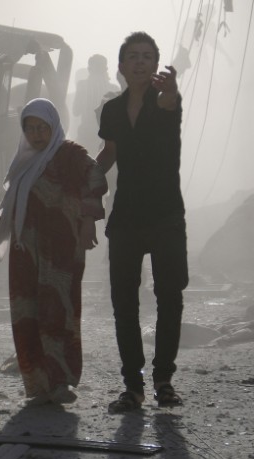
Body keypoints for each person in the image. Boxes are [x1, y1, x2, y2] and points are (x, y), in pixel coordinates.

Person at [0, 98, 107, 406]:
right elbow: (8, 208)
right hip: (25, 256)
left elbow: (96, 181)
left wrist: (89, 222)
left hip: (59, 253)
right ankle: (38, 386)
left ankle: (61, 381)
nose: (36, 134)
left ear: (54, 126)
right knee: (27, 316)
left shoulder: (70, 155)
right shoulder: (22, 165)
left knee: (57, 312)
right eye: (30, 128)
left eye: (41, 127)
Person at [96, 32, 188, 413]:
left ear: (155, 65)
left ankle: (164, 380)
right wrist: (80, 177)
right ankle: (132, 387)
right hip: (127, 217)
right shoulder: (113, 110)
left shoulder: (167, 101)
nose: (139, 62)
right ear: (121, 66)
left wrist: (172, 90)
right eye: (132, 56)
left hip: (166, 214)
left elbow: (169, 102)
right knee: (124, 303)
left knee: (169, 298)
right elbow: (108, 155)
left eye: (147, 57)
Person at [72, 55, 120, 152]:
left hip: (85, 135)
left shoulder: (82, 85)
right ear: (106, 69)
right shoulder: (114, 89)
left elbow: (75, 111)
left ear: (89, 69)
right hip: (106, 138)